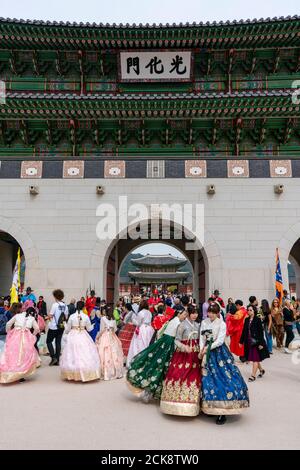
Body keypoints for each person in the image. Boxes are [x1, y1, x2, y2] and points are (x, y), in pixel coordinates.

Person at [200, 303, 249, 425]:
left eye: (213, 312)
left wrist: (207, 348)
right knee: (207, 379)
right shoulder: (204, 322)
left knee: (223, 378)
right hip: (206, 352)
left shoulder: (221, 324)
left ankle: (222, 411)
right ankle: (209, 407)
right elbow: (202, 338)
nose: (210, 314)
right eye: (209, 312)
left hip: (219, 353)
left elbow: (220, 340)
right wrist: (202, 349)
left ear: (217, 313)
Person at [127, 306, 187, 402]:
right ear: (179, 314)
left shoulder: (171, 320)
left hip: (163, 343)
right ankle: (151, 391)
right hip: (169, 345)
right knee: (161, 368)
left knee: (156, 366)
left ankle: (150, 391)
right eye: (184, 314)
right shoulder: (177, 323)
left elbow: (160, 331)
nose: (185, 316)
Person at [160, 305, 201, 417]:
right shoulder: (182, 325)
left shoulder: (198, 325)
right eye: (192, 313)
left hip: (196, 353)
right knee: (179, 375)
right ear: (188, 313)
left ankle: (194, 404)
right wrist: (184, 347)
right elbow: (176, 341)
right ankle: (176, 404)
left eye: (196, 313)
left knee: (195, 377)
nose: (194, 315)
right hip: (183, 354)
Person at [60, 301, 100, 382]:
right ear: (83, 307)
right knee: (84, 353)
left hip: (73, 335)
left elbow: (67, 329)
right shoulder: (85, 316)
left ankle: (73, 373)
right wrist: (93, 325)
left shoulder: (72, 316)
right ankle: (85, 373)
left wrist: (65, 326)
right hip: (83, 335)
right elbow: (89, 329)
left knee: (72, 353)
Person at [0, 306, 40, 383]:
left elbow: (8, 324)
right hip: (26, 337)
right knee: (23, 356)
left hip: (15, 335)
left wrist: (9, 331)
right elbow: (37, 329)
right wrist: (33, 334)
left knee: (12, 353)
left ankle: (9, 372)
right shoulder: (32, 318)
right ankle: (20, 374)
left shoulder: (17, 315)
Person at [239, 305, 269, 381]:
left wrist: (261, 344)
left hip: (256, 342)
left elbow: (261, 333)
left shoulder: (258, 320)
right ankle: (261, 370)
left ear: (254, 311)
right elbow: (244, 331)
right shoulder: (246, 320)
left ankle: (253, 376)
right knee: (254, 357)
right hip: (248, 342)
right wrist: (241, 341)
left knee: (255, 358)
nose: (249, 311)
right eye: (248, 310)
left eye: (251, 310)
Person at [96, 307, 124, 380]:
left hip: (105, 335)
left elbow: (101, 329)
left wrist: (98, 337)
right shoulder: (114, 320)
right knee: (114, 353)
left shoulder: (103, 319)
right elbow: (115, 329)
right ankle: (116, 371)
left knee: (104, 353)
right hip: (112, 336)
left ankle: (105, 372)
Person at [126, 300, 154, 367]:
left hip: (142, 329)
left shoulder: (141, 313)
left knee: (139, 345)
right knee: (147, 343)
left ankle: (137, 360)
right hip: (149, 329)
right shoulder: (149, 312)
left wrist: (133, 320)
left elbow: (138, 323)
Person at [46, 289, 69, 366]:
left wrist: (46, 317)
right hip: (61, 326)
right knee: (58, 342)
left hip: (53, 326)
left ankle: (53, 357)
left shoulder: (54, 305)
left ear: (55, 296)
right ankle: (58, 359)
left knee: (48, 341)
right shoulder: (65, 305)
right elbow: (66, 316)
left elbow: (51, 315)